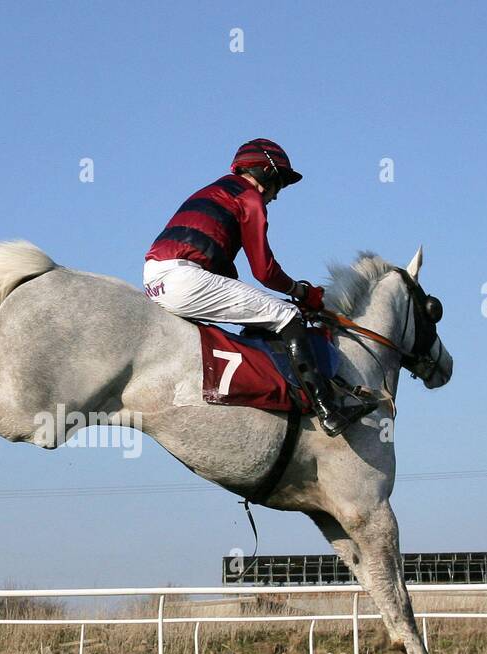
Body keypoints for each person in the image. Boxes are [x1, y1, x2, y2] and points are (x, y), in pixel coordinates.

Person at [143, 138, 375, 436]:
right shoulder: (249, 198)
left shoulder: (212, 191)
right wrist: (302, 292)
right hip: (185, 280)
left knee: (260, 311)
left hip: (153, 280)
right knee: (287, 316)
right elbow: (264, 271)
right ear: (266, 172)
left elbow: (227, 273)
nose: (276, 196)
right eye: (279, 184)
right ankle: (329, 410)